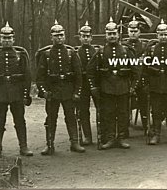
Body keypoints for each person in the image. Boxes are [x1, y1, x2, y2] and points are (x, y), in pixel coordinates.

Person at [86, 18, 139, 150]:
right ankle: (110, 138)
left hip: (123, 87)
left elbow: (136, 70)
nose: (112, 36)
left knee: (123, 113)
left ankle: (121, 138)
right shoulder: (101, 52)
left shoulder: (126, 51)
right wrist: (94, 86)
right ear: (106, 35)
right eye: (109, 34)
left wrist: (132, 86)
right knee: (108, 113)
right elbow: (90, 70)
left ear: (118, 34)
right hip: (106, 88)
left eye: (114, 33)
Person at [0, 22, 33, 158]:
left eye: (9, 38)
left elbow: (27, 76)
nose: (7, 41)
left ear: (13, 39)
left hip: (17, 93)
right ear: (0, 39)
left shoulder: (20, 54)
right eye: (4, 38)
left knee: (20, 121)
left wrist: (25, 94)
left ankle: (24, 147)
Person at [36, 20, 85, 155]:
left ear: (65, 36)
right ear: (51, 37)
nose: (59, 38)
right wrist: (44, 92)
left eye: (61, 35)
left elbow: (78, 75)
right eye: (56, 35)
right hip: (53, 91)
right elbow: (40, 77)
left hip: (68, 90)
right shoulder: (45, 55)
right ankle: (50, 144)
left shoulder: (71, 53)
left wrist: (77, 92)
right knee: (51, 118)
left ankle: (74, 142)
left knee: (71, 117)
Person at [143, 19, 167, 145]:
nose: (163, 37)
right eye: (161, 34)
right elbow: (145, 69)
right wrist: (146, 84)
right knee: (155, 110)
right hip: (155, 85)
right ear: (157, 36)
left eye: (165, 34)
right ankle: (156, 135)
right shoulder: (150, 50)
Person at [122, 17, 149, 135]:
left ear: (139, 32)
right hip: (128, 80)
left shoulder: (145, 46)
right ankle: (125, 130)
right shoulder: (123, 46)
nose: (133, 33)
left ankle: (147, 128)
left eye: (135, 31)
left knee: (144, 104)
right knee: (125, 105)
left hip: (142, 79)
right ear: (127, 32)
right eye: (131, 31)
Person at [75, 21, 99, 145]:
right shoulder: (76, 53)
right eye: (83, 36)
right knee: (83, 111)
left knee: (100, 109)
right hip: (83, 85)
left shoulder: (96, 51)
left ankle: (102, 135)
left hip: (95, 85)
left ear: (91, 37)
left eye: (87, 36)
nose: (85, 38)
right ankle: (88, 136)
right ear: (80, 38)